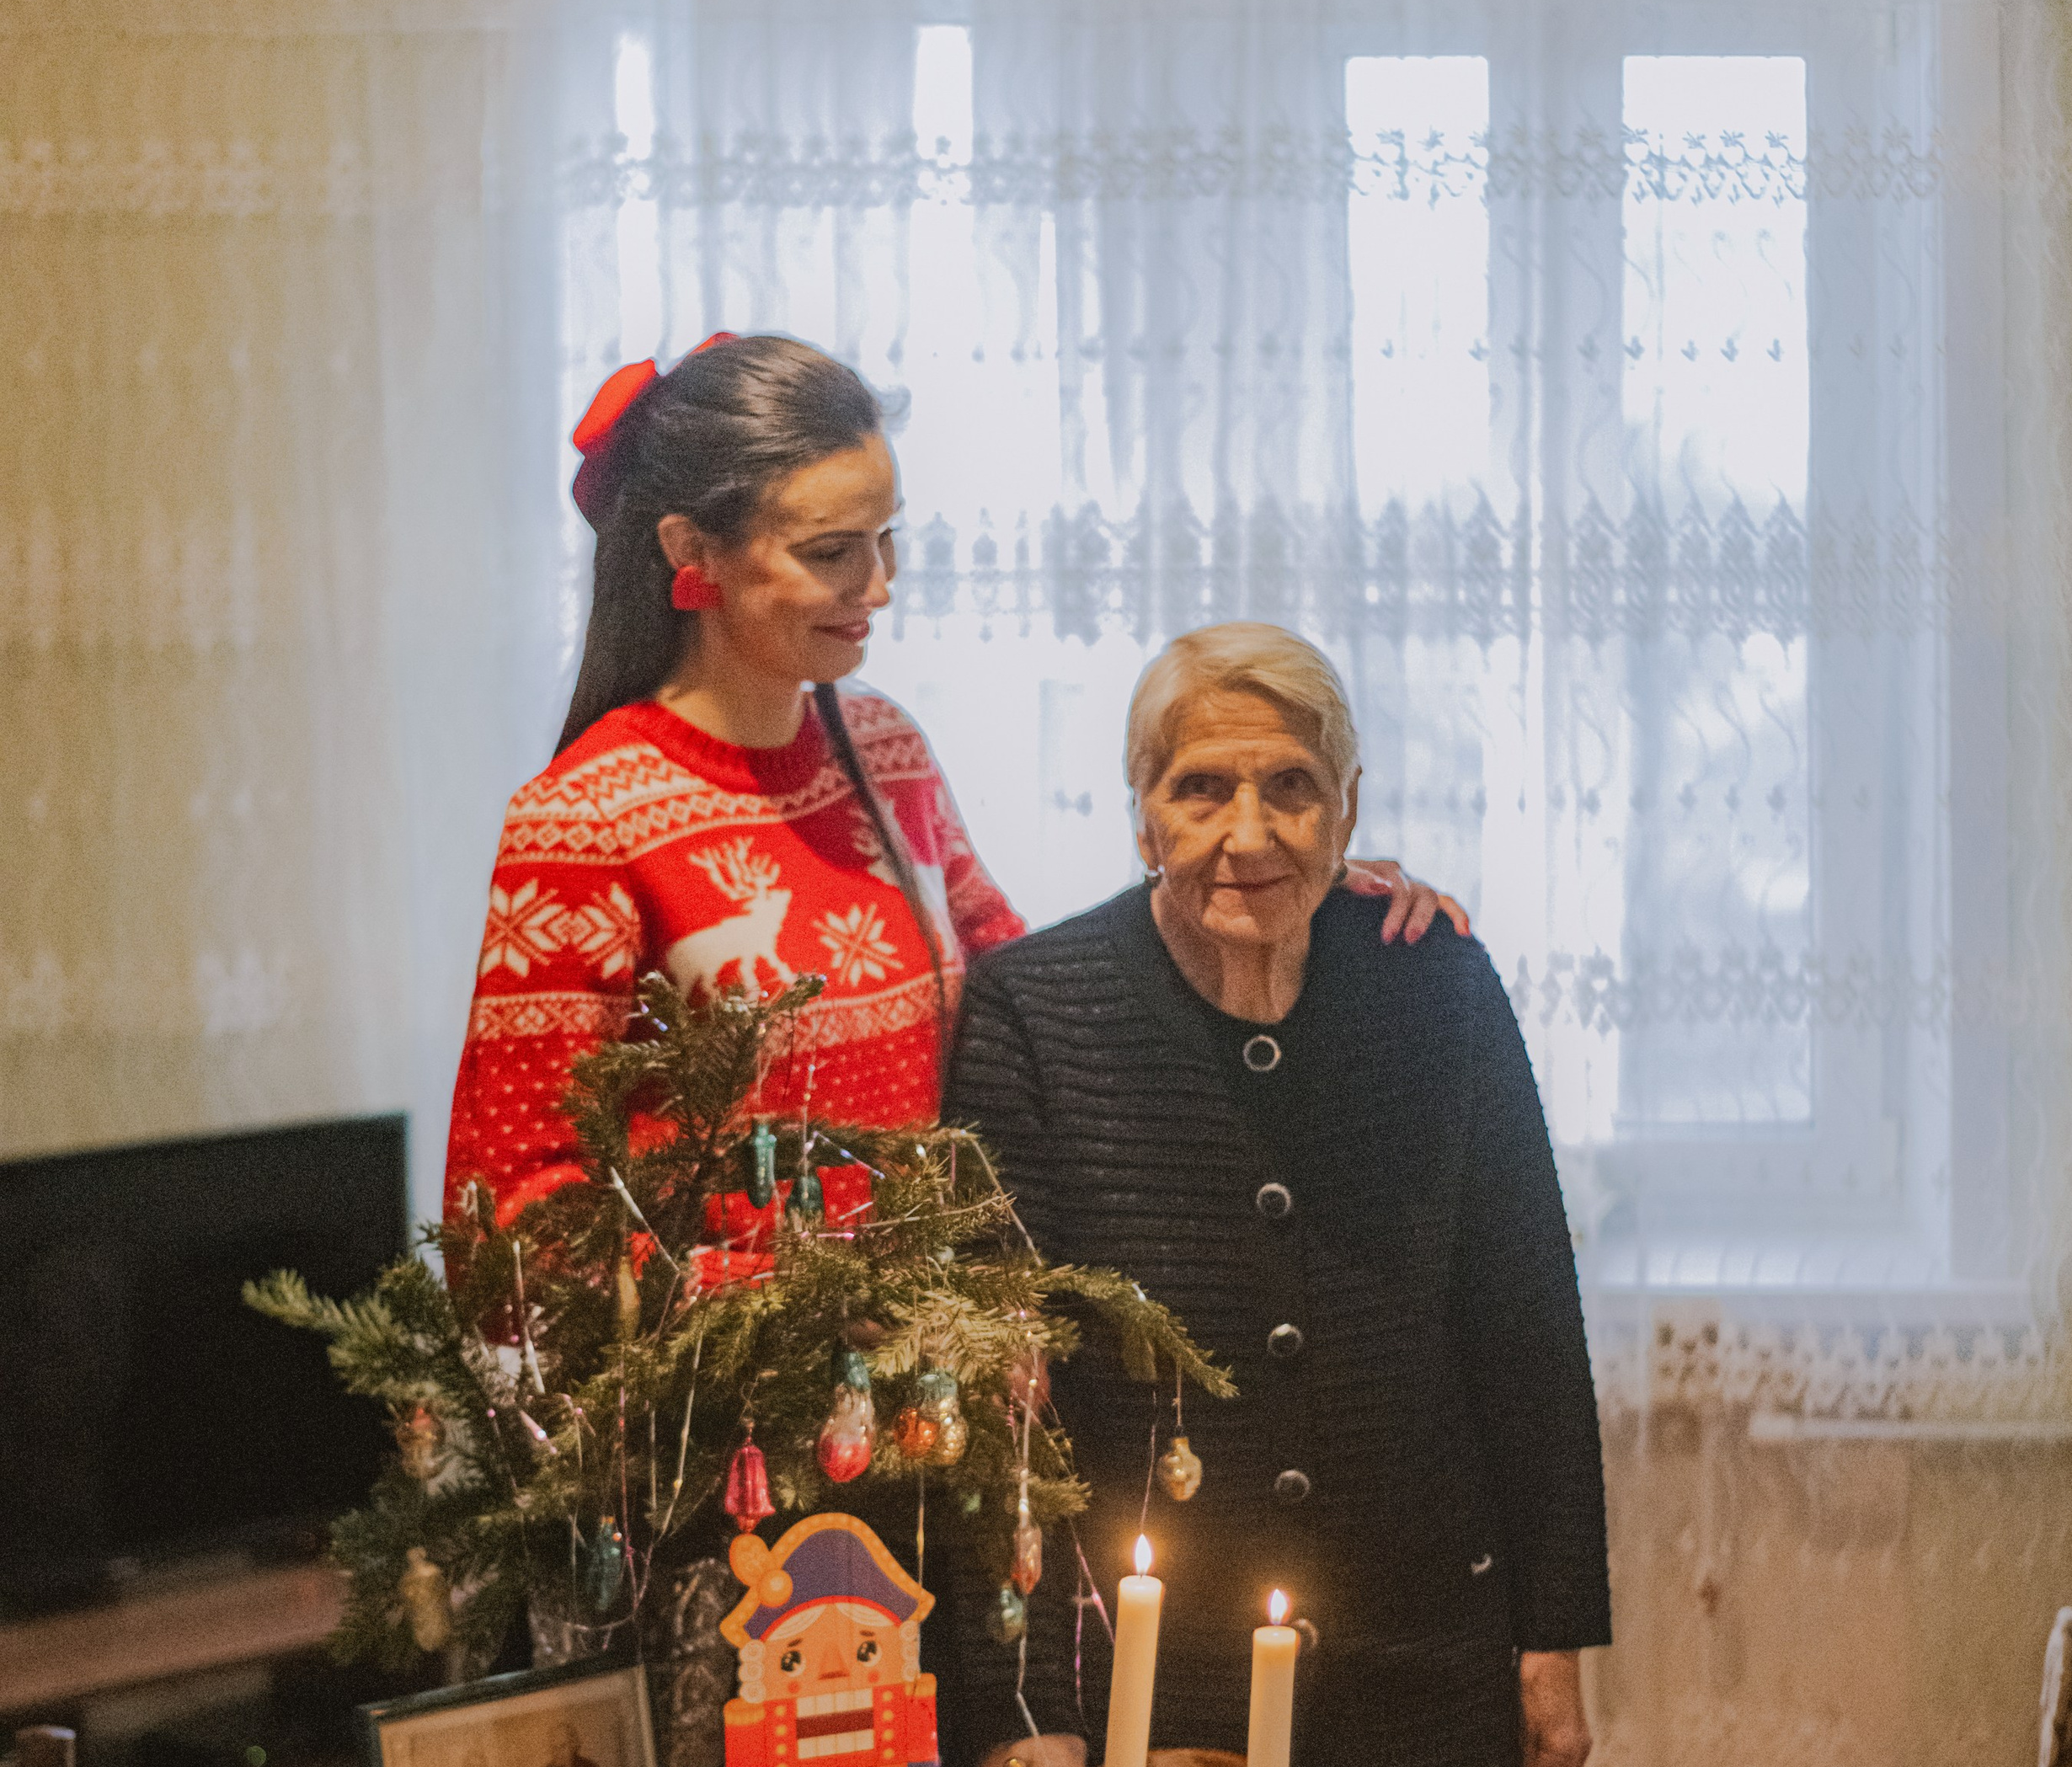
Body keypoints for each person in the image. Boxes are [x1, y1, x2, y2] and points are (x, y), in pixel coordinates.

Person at [445, 334, 1461, 1223]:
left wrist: (1273, 884)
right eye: (833, 551)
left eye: (888, 539)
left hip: (937, 1393)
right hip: (725, 1425)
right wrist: (784, 1318)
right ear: (689, 550)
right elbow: (512, 1214)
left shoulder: (885, 750)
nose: (880, 586)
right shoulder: (582, 820)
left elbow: (1028, 997)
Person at [940, 622, 1610, 1767]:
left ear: (1347, 812)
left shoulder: (1437, 981)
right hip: (1157, 1681)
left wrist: (1552, 1637)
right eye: (1201, 789)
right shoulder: (1032, 1015)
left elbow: (1528, 1328)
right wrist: (1025, 1701)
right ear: (1142, 816)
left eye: (1291, 787)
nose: (1247, 834)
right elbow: (1007, 1401)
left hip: (1424, 1656)